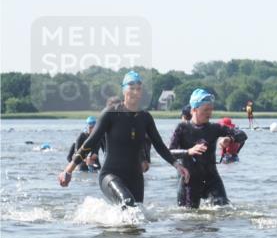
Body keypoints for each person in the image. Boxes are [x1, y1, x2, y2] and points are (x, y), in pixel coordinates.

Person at [57, 71, 189, 207]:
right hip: (110, 175)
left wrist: (177, 165)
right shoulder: (110, 114)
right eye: (131, 88)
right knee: (128, 204)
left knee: (138, 217)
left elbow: (159, 145)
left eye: (138, 89)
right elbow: (90, 142)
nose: (135, 92)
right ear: (124, 90)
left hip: (135, 177)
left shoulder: (145, 118)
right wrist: (68, 170)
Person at [169, 90, 248, 208]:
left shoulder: (215, 128)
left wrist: (229, 139)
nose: (210, 113)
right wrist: (189, 152)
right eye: (206, 110)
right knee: (187, 219)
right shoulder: (182, 128)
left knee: (223, 210)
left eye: (211, 109)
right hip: (189, 181)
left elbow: (242, 134)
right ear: (194, 109)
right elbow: (169, 152)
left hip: (212, 179)